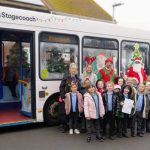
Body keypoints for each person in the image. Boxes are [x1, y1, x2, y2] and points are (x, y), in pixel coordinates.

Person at [59, 63, 81, 132]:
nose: (74, 70)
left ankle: (72, 126)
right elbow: (61, 87)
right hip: (67, 97)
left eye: (75, 69)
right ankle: (63, 126)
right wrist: (63, 96)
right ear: (69, 69)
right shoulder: (66, 77)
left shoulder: (77, 78)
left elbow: (79, 88)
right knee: (64, 112)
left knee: (73, 112)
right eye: (72, 68)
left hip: (74, 97)